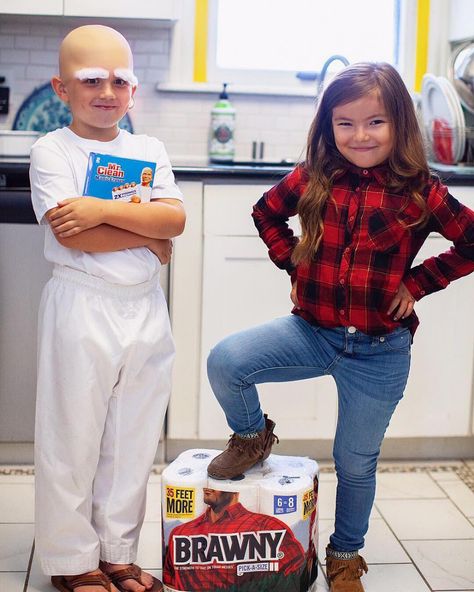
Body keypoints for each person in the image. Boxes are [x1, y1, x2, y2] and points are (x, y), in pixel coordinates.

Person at [205, 62, 474, 591]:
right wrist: (291, 260)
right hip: (312, 331)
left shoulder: (422, 189)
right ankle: (253, 435)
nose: (360, 135)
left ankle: (346, 554)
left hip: (380, 351)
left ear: (400, 122)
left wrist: (417, 284)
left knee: (354, 462)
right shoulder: (312, 176)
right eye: (345, 123)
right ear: (328, 126)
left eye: (375, 122)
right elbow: (265, 213)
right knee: (226, 360)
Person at [29, 25, 186, 592]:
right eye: (90, 79)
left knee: (132, 437)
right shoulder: (52, 149)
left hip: (145, 308)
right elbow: (75, 237)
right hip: (82, 304)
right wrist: (147, 236)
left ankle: (117, 550)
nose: (106, 90)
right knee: (72, 436)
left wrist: (99, 210)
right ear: (61, 87)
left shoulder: (149, 150)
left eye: (120, 79)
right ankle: (72, 560)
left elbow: (176, 220)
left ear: (133, 90)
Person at [163, 488, 306, 592]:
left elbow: (294, 575)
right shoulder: (181, 533)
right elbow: (170, 582)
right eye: (209, 480)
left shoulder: (268, 526)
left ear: (235, 488)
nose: (208, 486)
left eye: (217, 481)